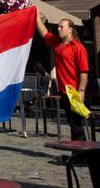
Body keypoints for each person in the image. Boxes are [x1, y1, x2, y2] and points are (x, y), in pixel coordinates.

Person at [36, 11, 90, 141]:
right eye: (58, 27)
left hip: (74, 91)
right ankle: (77, 153)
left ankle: (81, 156)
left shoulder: (78, 47)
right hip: (63, 90)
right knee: (72, 123)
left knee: (77, 124)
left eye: (61, 27)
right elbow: (44, 33)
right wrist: (37, 16)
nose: (58, 29)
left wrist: (81, 91)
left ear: (70, 30)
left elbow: (84, 71)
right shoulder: (58, 43)